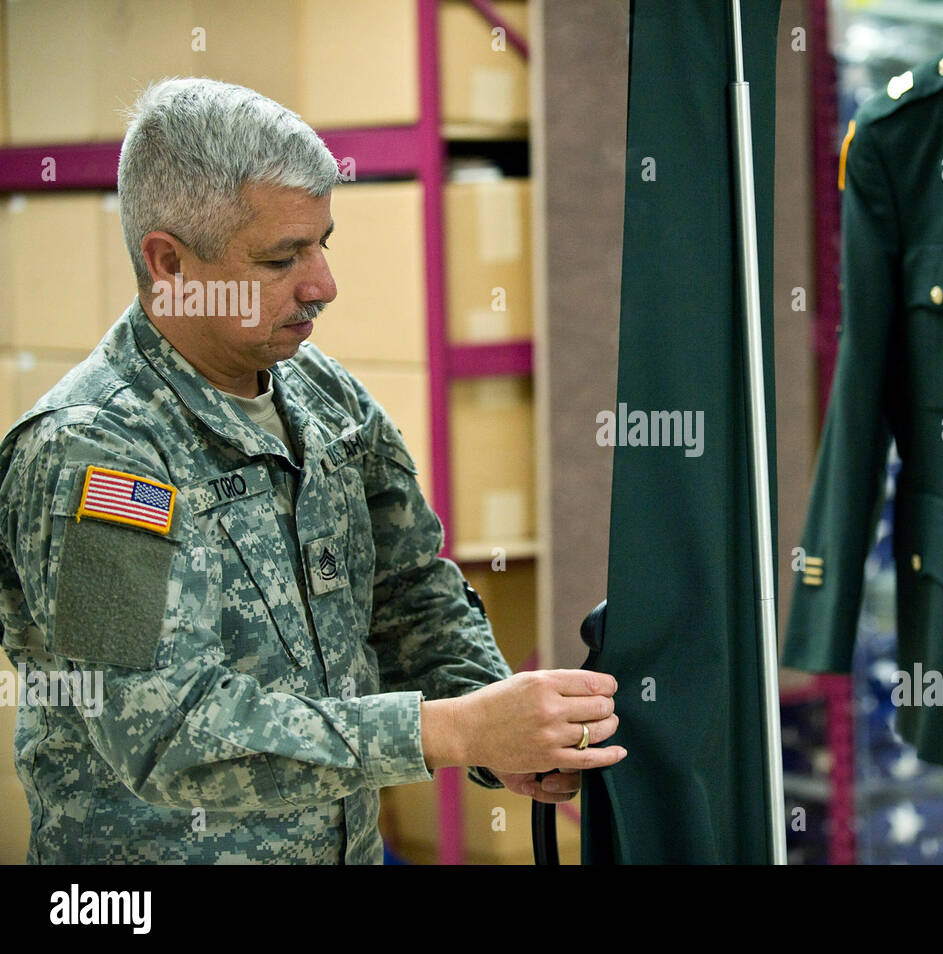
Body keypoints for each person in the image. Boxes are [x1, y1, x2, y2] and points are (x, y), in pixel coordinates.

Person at [0, 77, 625, 864]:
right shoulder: (95, 454)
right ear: (169, 262)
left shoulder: (322, 396)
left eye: (323, 241)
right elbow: (165, 732)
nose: (322, 283)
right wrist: (449, 730)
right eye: (280, 258)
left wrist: (500, 727)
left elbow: (407, 593)